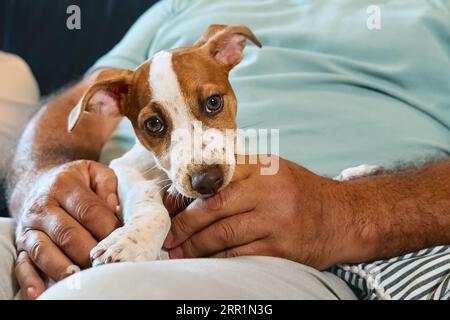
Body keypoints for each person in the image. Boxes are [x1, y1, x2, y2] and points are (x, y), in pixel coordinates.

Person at [1, 0, 449, 300]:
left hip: (284, 255)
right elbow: (82, 102)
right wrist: (39, 184)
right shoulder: (179, 6)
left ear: (234, 51)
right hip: (82, 221)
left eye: (214, 104)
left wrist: (346, 212)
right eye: (156, 124)